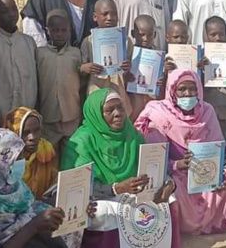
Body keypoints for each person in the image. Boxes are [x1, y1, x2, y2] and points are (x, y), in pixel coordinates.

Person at [60, 89, 179, 247]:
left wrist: (169, 185)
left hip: (132, 193)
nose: (117, 114)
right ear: (96, 114)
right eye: (109, 110)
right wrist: (116, 188)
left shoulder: (132, 135)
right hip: (100, 197)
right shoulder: (81, 142)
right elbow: (76, 189)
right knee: (106, 212)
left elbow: (154, 168)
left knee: (170, 200)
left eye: (120, 108)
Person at [135, 69, 226, 235]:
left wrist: (215, 172)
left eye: (192, 89)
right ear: (172, 90)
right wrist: (177, 164)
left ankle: (211, 222)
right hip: (173, 171)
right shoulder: (158, 114)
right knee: (174, 190)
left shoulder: (207, 111)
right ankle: (186, 227)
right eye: (182, 89)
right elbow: (154, 159)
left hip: (202, 170)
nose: (187, 94)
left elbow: (216, 147)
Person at [0, 0, 38, 126]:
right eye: (4, 11)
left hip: (28, 114)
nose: (12, 14)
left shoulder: (28, 42)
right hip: (1, 116)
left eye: (14, 9)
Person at [36, 10, 83, 152]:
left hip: (72, 115)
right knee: (49, 155)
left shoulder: (76, 53)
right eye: (55, 30)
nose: (60, 34)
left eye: (64, 30)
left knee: (73, 154)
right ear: (47, 31)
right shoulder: (40, 53)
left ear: (70, 31)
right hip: (48, 117)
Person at [80, 0, 132, 116]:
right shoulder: (88, 41)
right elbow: (81, 71)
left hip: (119, 93)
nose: (110, 18)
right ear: (95, 17)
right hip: (96, 92)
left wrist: (128, 68)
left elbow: (131, 75)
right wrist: (85, 68)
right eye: (105, 14)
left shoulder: (126, 41)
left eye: (114, 14)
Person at [3, 107, 57, 199]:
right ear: (14, 134)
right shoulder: (4, 159)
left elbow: (53, 181)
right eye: (25, 132)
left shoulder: (45, 149)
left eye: (37, 130)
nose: (32, 137)